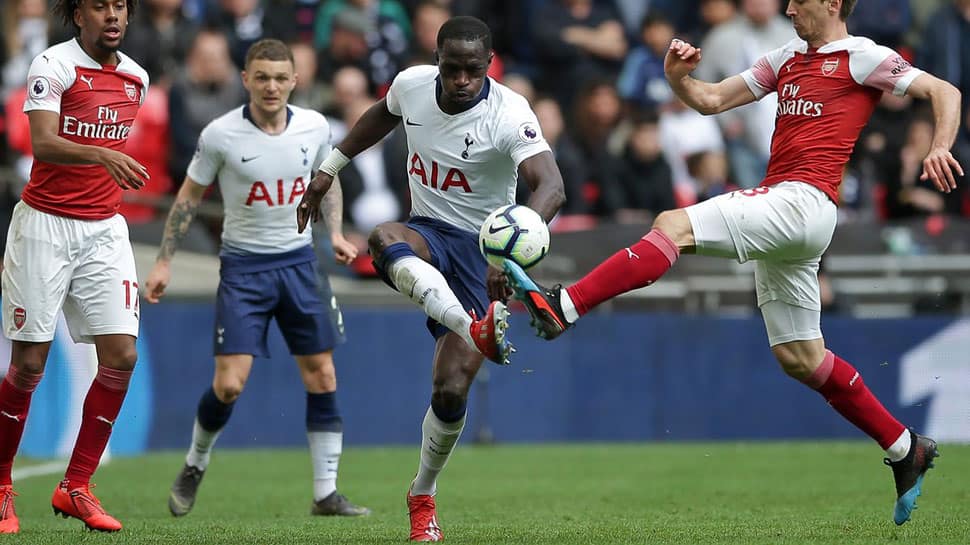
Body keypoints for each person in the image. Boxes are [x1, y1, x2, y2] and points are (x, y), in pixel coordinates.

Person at [503, 0, 962, 527]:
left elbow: (944, 91)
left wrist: (940, 146)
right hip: (790, 212)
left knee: (672, 224)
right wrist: (680, 78)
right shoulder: (787, 57)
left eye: (801, 0)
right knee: (800, 356)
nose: (789, 8)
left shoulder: (861, 56)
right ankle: (905, 447)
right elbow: (713, 98)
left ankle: (567, 304)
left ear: (833, 3)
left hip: (804, 201)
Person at [296, 16, 565, 542]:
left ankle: (422, 494)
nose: (461, 80)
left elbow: (551, 187)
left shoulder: (509, 113)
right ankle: (470, 326)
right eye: (451, 68)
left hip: (480, 248)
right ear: (436, 59)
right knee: (381, 237)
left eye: (471, 70)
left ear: (488, 65)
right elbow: (382, 115)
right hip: (427, 232)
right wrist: (330, 167)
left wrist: (506, 254)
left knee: (449, 391)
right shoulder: (411, 85)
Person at [143, 39, 370, 519]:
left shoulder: (313, 127)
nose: (271, 86)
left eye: (280, 78)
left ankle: (326, 493)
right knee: (229, 385)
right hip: (244, 269)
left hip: (300, 264)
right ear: (245, 79)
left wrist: (335, 235)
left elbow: (326, 182)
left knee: (322, 373)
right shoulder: (220, 135)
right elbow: (187, 199)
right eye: (261, 77)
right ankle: (195, 463)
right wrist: (163, 261)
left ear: (295, 81)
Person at [0, 0, 150, 534]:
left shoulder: (137, 77)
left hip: (104, 228)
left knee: (122, 354)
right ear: (78, 14)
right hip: (44, 225)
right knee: (30, 365)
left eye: (120, 6)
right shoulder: (53, 66)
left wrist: (107, 164)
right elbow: (43, 143)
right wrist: (103, 154)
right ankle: (0, 487)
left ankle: (77, 486)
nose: (112, 15)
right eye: (100, 5)